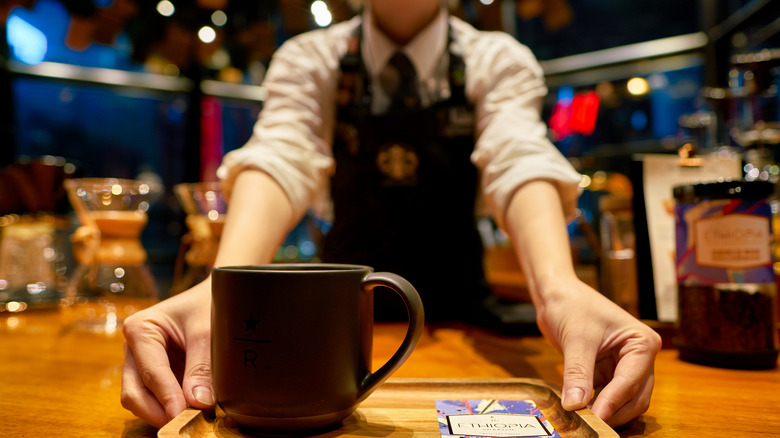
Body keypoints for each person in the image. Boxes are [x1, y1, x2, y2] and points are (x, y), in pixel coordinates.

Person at [120, 0, 661, 430]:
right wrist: (225, 291)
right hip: (332, 336)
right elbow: (282, 157)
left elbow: (517, 157)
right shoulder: (311, 58)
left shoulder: (496, 59)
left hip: (463, 321)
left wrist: (558, 292)